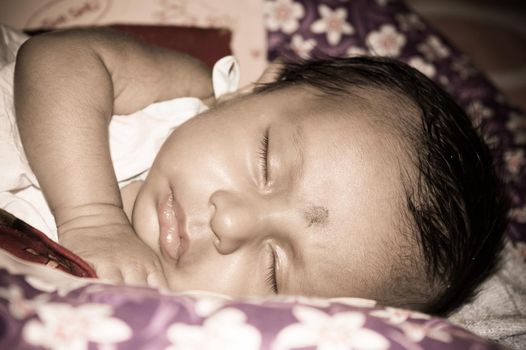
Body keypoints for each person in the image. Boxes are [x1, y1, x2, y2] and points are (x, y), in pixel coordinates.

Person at [3, 27, 507, 316]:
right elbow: (55, 57)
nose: (231, 223)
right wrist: (93, 217)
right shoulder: (183, 99)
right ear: (256, 89)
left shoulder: (170, 311)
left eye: (274, 271)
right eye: (266, 161)